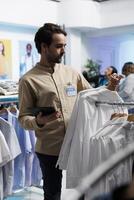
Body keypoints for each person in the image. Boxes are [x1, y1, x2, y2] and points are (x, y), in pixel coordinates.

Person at [18, 23, 122, 200]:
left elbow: (92, 95)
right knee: (53, 193)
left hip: (77, 143)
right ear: (44, 47)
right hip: (50, 148)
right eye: (58, 46)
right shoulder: (29, 80)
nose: (63, 50)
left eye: (64, 45)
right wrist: (39, 122)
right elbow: (23, 117)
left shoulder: (72, 73)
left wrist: (110, 87)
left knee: (80, 189)